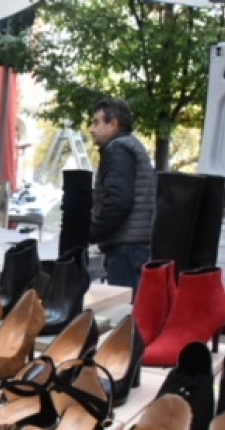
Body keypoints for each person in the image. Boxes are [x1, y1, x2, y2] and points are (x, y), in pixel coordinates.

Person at [88, 97, 156, 291]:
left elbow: (118, 201)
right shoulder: (129, 146)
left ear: (114, 124)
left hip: (126, 248)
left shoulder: (118, 149)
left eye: (97, 122)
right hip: (133, 245)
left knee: (124, 305)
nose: (92, 129)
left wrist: (92, 232)